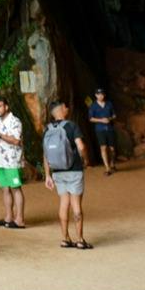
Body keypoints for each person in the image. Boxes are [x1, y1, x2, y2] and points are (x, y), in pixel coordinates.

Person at [42, 100, 91, 249]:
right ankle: (80, 240)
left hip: (57, 172)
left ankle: (65, 239)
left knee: (64, 204)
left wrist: (47, 175)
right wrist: (86, 159)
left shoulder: (47, 129)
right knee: (76, 205)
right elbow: (81, 146)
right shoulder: (71, 126)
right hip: (74, 170)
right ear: (62, 109)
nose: (68, 108)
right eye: (65, 106)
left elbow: (45, 154)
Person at [0, 97, 27, 229]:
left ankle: (20, 219)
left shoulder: (15, 121)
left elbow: (16, 140)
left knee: (16, 188)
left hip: (12, 161)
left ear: (6, 107)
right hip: (0, 161)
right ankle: (9, 217)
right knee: (5, 189)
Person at [88, 87, 118, 175]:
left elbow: (114, 115)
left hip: (110, 129)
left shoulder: (109, 104)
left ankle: (112, 163)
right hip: (100, 129)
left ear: (104, 95)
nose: (100, 96)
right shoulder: (93, 106)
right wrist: (101, 120)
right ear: (96, 95)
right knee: (103, 147)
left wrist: (109, 118)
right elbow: (90, 118)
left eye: (102, 94)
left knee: (112, 148)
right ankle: (107, 168)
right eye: (98, 94)